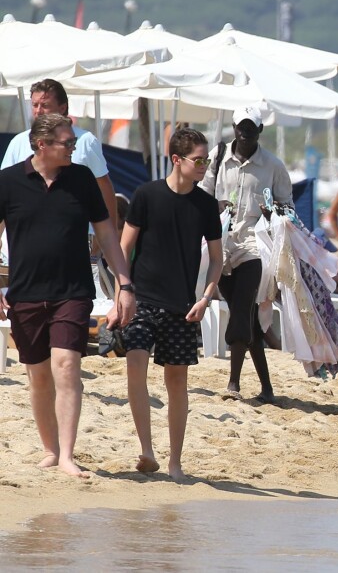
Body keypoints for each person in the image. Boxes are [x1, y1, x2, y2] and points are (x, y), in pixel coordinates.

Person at [0, 113, 135, 477]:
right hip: (26, 292)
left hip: (73, 291)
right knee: (38, 374)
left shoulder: (81, 179)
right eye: (67, 143)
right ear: (42, 144)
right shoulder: (8, 182)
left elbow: (107, 235)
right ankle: (50, 448)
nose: (73, 149)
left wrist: (124, 284)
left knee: (67, 365)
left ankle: (67, 456)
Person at [110, 129, 222, 481]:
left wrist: (206, 298)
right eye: (199, 160)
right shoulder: (146, 195)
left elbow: (217, 260)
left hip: (183, 305)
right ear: (177, 159)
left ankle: (175, 461)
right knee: (135, 366)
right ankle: (146, 450)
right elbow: (122, 250)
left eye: (207, 160)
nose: (204, 166)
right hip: (141, 298)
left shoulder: (205, 205)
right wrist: (121, 295)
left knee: (177, 382)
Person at [201, 106, 293, 403]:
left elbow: (289, 208)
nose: (245, 132)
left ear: (260, 131)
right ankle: (266, 388)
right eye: (241, 127)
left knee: (241, 310)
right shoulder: (217, 158)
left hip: (254, 246)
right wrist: (213, 206)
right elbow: (201, 195)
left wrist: (274, 211)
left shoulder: (273, 166)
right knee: (248, 318)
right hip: (221, 245)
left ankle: (233, 383)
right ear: (234, 127)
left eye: (251, 128)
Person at [1, 79, 117, 225]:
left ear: (62, 108)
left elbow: (104, 187)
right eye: (34, 105)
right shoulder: (18, 141)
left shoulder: (85, 141)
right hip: (22, 239)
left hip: (76, 236)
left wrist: (109, 234)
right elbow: (5, 192)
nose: (38, 111)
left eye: (45, 105)